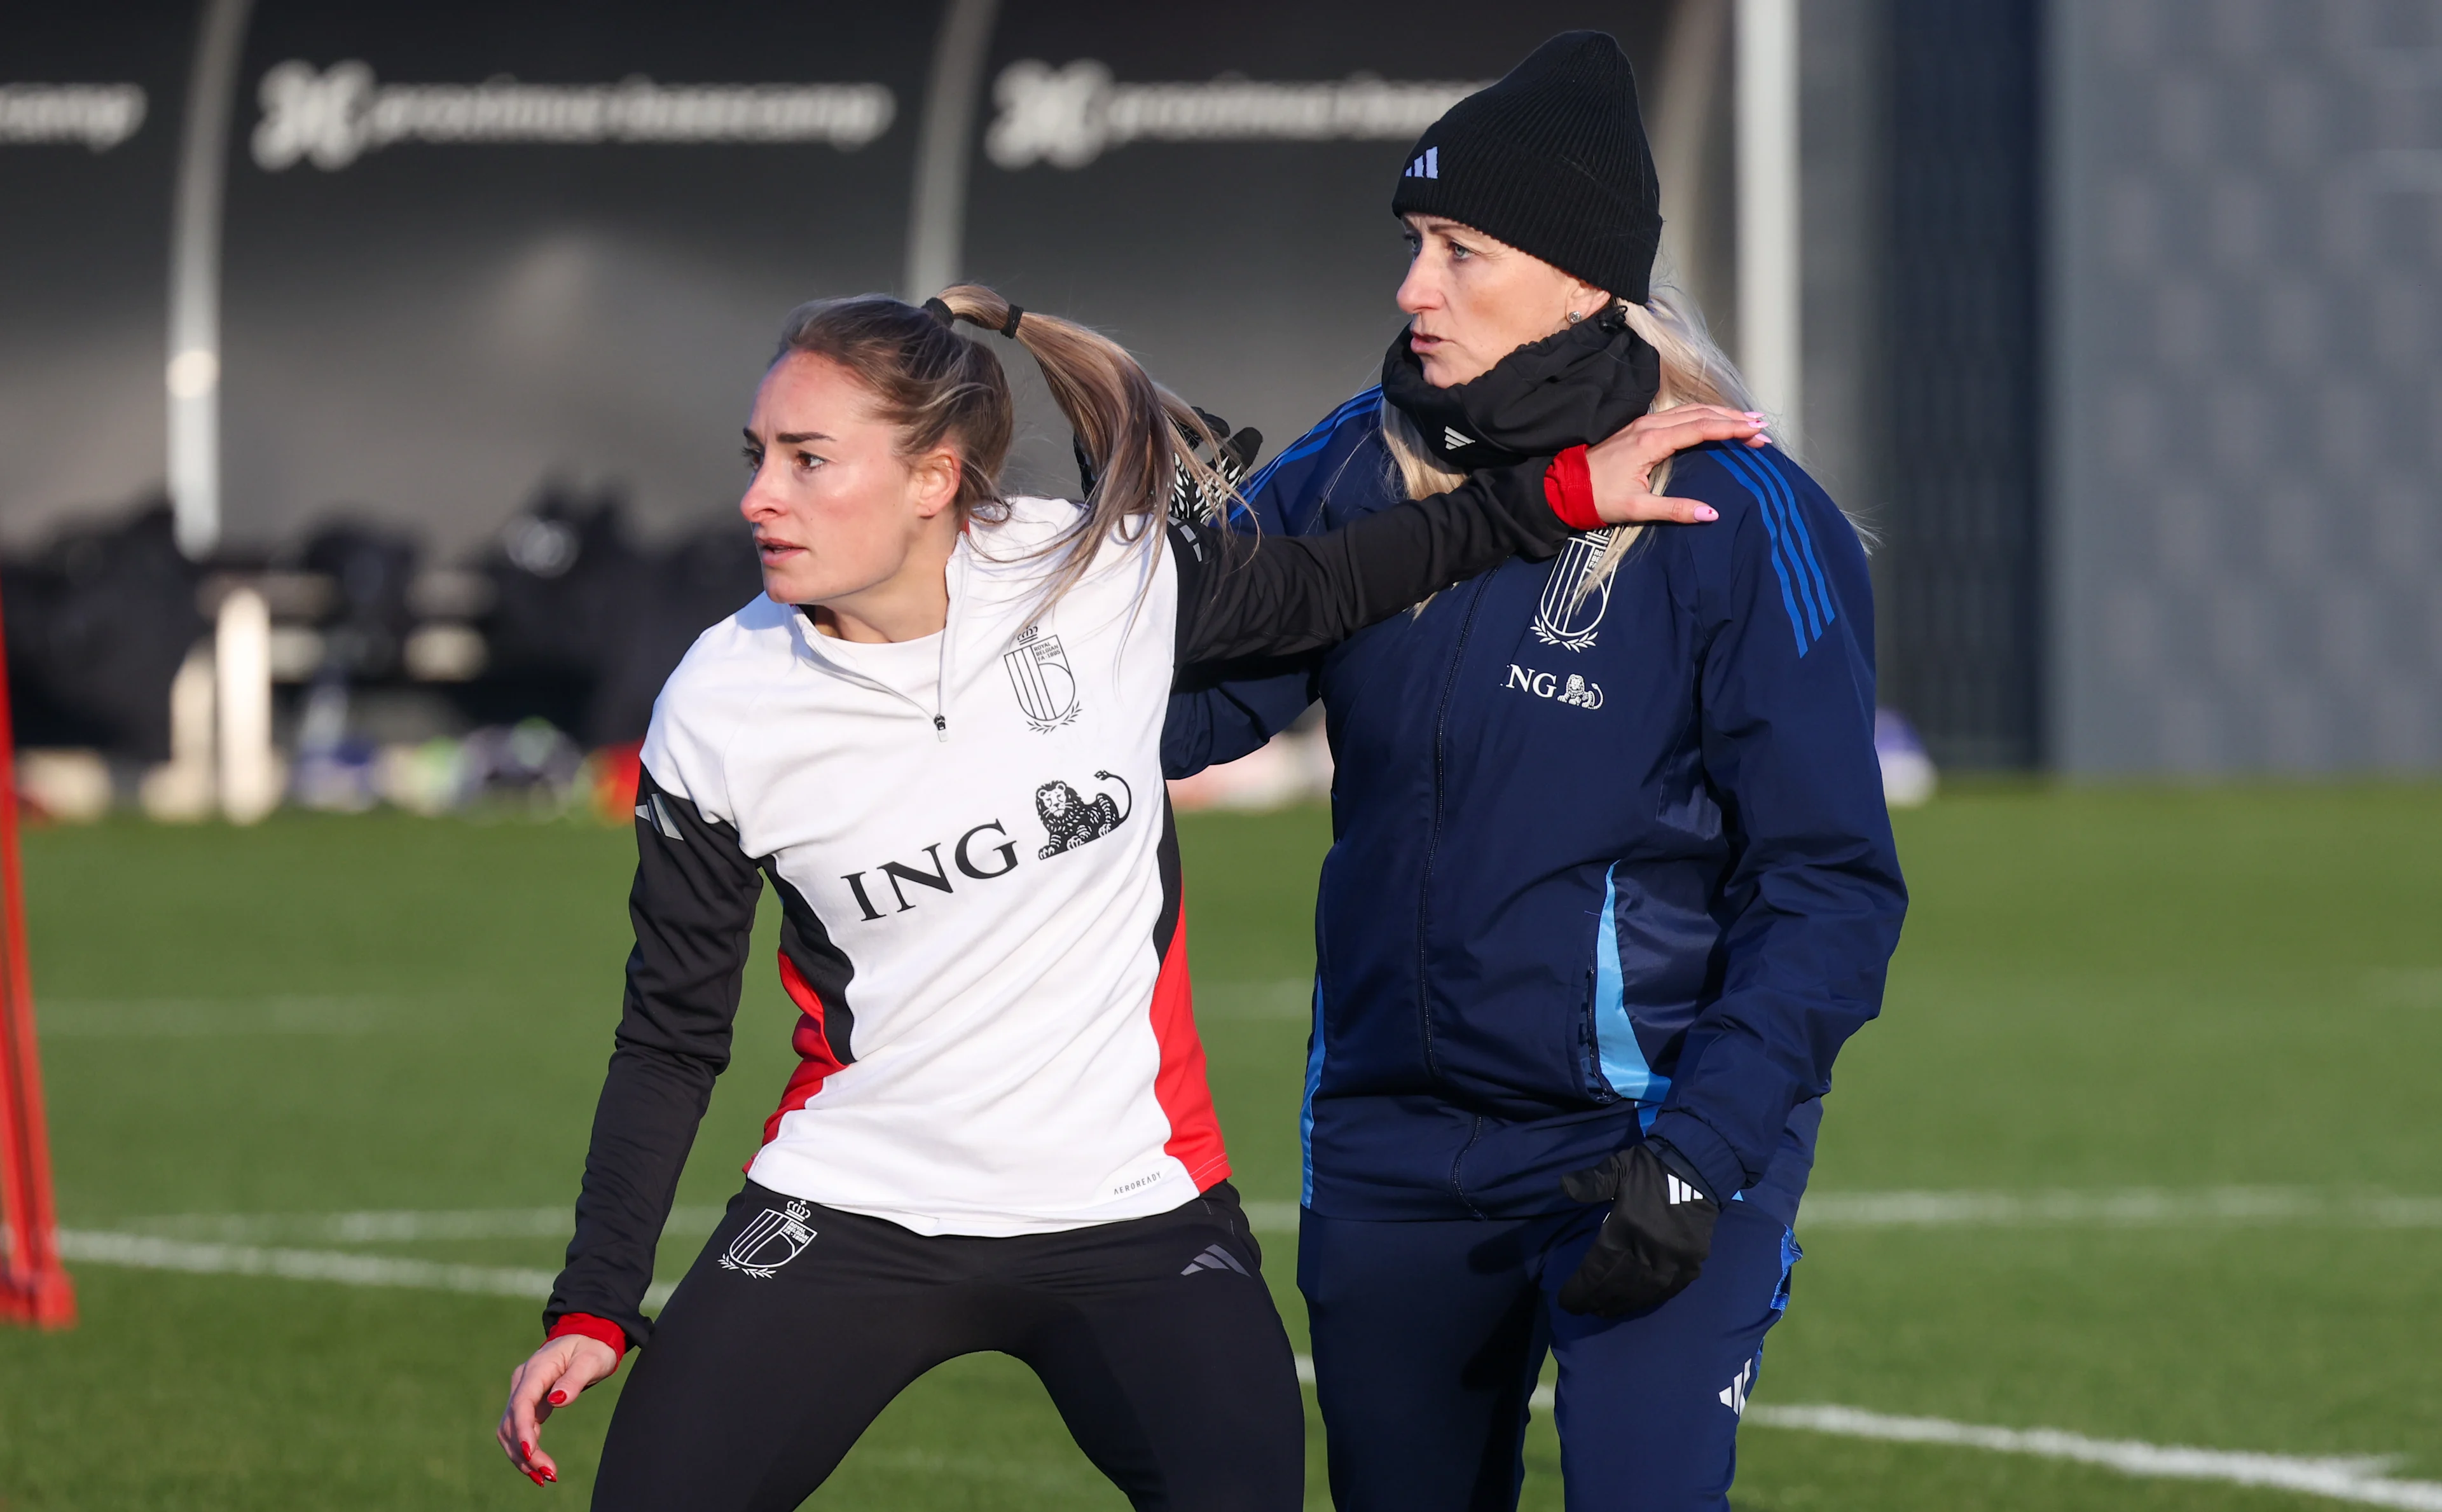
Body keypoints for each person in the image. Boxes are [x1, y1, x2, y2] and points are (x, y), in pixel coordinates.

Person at [492, 282, 1764, 1509]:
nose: (759, 494)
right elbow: (671, 1033)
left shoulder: (1090, 573)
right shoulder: (721, 703)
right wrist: (596, 1302)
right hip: (855, 1199)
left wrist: (1556, 494)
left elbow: (1343, 579)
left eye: (809, 458)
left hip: (1137, 1213)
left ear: (935, 479)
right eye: (757, 452)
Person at [1164, 32, 1909, 1512]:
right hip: (1388, 1140)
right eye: (1412, 245)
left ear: (1580, 279)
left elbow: (1829, 887)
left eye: (1458, 250)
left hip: (1646, 1137)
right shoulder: (1349, 466)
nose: (1410, 287)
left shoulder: (1743, 514)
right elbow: (1180, 733)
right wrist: (1169, 582)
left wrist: (1701, 1152)